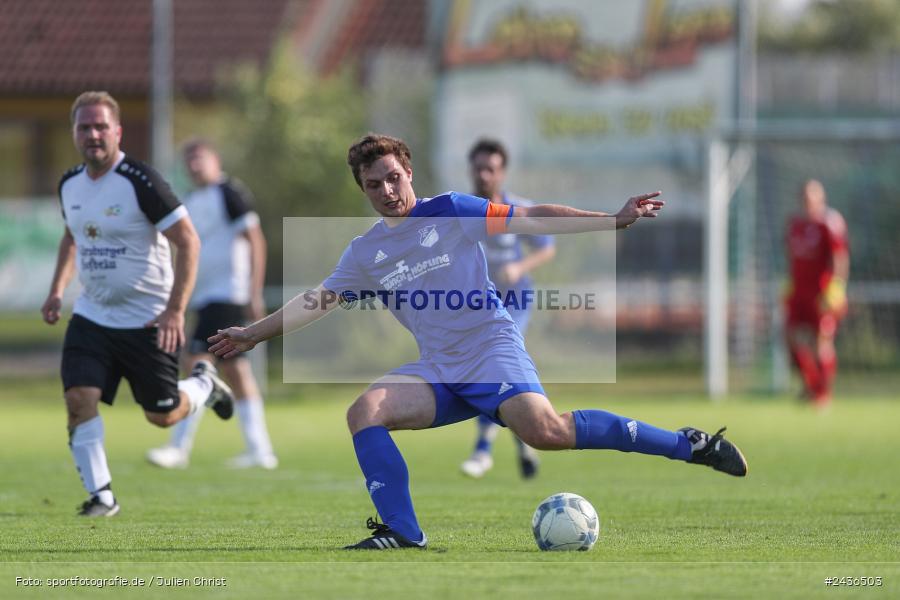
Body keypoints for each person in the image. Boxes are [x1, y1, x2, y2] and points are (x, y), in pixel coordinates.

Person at [208, 133, 748, 550]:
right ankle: (401, 532)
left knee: (547, 433)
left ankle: (689, 445)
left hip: (491, 349)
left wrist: (610, 220)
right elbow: (317, 300)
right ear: (363, 190)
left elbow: (531, 217)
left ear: (408, 172)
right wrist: (251, 334)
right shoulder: (365, 253)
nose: (388, 192)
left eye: (393, 178)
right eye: (374, 185)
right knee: (364, 411)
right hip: (439, 368)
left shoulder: (451, 211)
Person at [41, 91, 234, 517]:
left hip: (147, 319)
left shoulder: (140, 181)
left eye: (100, 126)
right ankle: (102, 496)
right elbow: (72, 236)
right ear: (74, 132)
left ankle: (203, 384)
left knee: (162, 416)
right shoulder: (69, 183)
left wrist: (174, 310)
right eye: (84, 127)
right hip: (92, 315)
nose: (92, 134)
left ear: (117, 132)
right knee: (78, 398)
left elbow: (188, 241)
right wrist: (58, 289)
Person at [146, 139, 277, 470]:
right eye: (188, 160)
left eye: (199, 158)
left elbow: (255, 239)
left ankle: (179, 448)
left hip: (228, 294)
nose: (194, 165)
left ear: (215, 160)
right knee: (233, 369)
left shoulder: (229, 193)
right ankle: (260, 450)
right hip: (205, 298)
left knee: (196, 361)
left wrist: (254, 291)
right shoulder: (190, 200)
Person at [460, 138, 555, 480]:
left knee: (495, 364)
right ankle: (524, 442)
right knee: (493, 372)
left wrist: (519, 267)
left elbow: (545, 248)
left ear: (502, 173)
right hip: (475, 305)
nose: (485, 175)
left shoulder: (516, 209)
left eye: (491, 169)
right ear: (471, 170)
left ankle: (482, 450)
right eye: (479, 168)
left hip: (514, 301)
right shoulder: (462, 209)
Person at [785, 179, 849, 407]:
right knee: (790, 336)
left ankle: (823, 395)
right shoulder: (795, 224)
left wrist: (836, 287)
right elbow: (793, 257)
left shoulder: (829, 223)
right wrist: (790, 283)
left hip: (822, 292)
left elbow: (839, 257)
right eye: (803, 196)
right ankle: (811, 386)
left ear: (820, 198)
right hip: (799, 291)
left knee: (821, 342)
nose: (807, 200)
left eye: (811, 196)